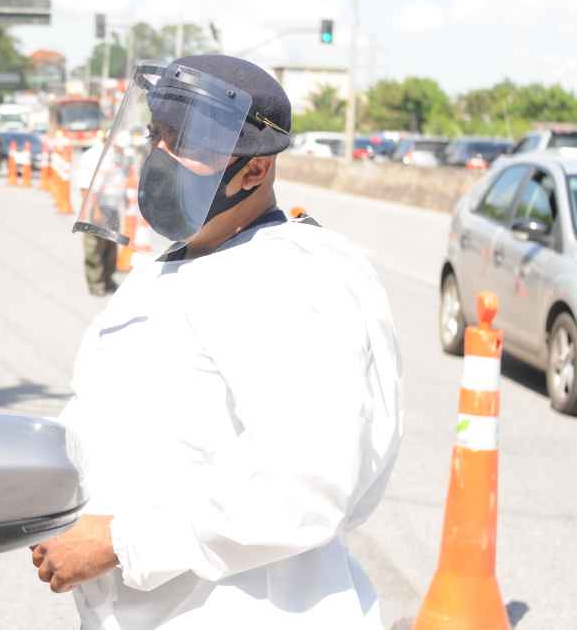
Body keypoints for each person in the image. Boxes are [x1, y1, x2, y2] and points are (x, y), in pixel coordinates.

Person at [33, 55, 403, 628]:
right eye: (157, 134)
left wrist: (120, 543)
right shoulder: (172, 268)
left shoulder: (289, 281)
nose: (158, 156)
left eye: (183, 142)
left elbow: (304, 481)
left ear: (254, 172)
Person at [74, 133, 117, 296]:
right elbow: (85, 186)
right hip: (95, 206)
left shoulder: (114, 156)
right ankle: (96, 283)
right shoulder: (92, 157)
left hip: (111, 206)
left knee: (110, 246)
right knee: (94, 247)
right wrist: (95, 210)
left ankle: (108, 279)